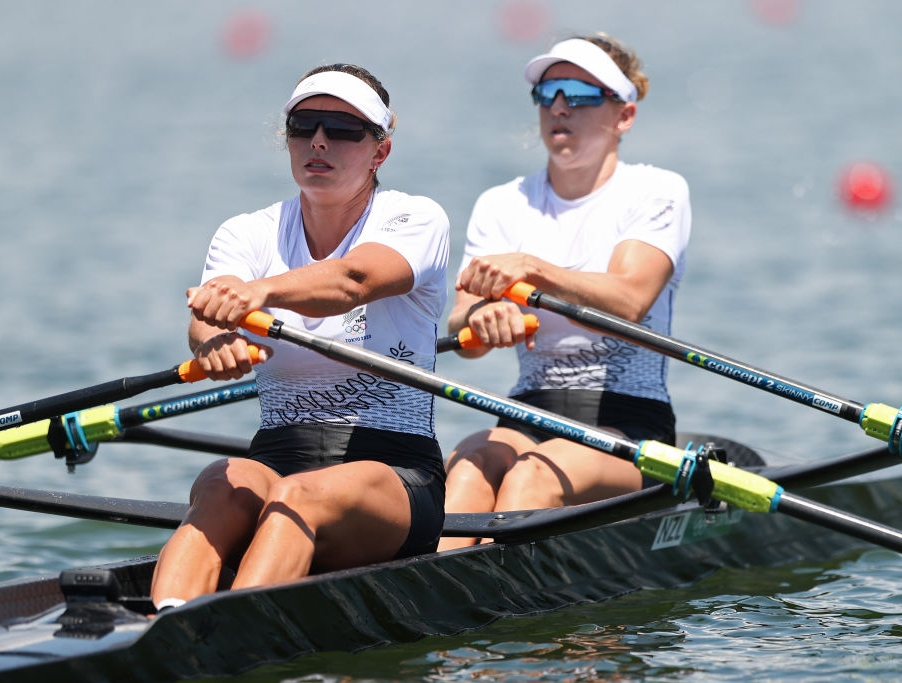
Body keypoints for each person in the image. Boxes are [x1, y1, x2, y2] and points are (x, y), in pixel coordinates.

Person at [151, 63, 450, 609]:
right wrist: (211, 343)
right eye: (303, 125)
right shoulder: (247, 231)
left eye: (342, 130)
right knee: (218, 482)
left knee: (297, 497)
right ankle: (162, 628)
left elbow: (352, 280)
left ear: (379, 152)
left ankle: (226, 639)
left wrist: (257, 294)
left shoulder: (415, 218)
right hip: (276, 456)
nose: (318, 141)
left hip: (394, 473)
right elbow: (209, 316)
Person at [437, 34, 691, 551]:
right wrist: (483, 321)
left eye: (578, 93)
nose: (558, 107)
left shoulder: (657, 191)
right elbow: (459, 326)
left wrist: (532, 268)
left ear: (624, 116)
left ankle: (491, 611)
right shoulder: (502, 203)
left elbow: (629, 299)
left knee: (533, 476)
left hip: (626, 423)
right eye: (547, 92)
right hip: (529, 409)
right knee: (464, 466)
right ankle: (433, 611)